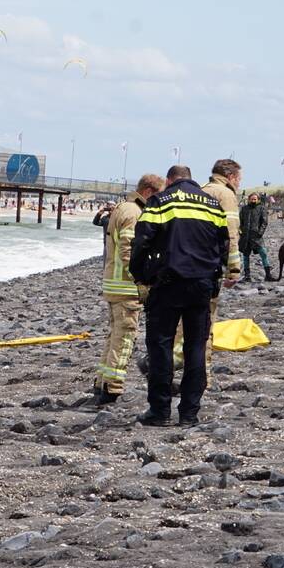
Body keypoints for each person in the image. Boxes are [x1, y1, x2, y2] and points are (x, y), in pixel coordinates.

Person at [130, 167, 230, 427]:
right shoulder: (212, 204)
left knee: (160, 346)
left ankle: (160, 411)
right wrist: (215, 278)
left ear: (169, 180)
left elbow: (141, 241)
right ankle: (189, 413)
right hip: (201, 284)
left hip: (168, 283)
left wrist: (141, 275)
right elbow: (224, 244)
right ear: (191, 178)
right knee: (195, 347)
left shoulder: (160, 201)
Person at [92, 173, 165, 405]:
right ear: (148, 191)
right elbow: (129, 252)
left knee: (114, 336)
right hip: (125, 287)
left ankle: (101, 382)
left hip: (114, 284)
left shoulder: (122, 208)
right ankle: (112, 388)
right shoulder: (134, 213)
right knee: (124, 339)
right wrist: (141, 281)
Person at [201, 160, 243, 386]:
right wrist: (233, 270)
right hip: (210, 266)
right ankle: (203, 377)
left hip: (189, 266)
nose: (239, 183)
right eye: (239, 179)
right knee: (205, 324)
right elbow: (231, 235)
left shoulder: (200, 190)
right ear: (231, 176)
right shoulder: (225, 195)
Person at [239, 192, 273, 281]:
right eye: (252, 199)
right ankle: (247, 276)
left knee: (263, 253)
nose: (253, 200)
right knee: (245, 256)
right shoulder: (244, 209)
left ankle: (268, 275)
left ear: (258, 200)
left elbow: (264, 222)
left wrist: (260, 233)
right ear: (249, 199)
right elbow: (240, 222)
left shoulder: (261, 208)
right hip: (246, 236)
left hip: (257, 236)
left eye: (255, 199)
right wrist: (241, 232)